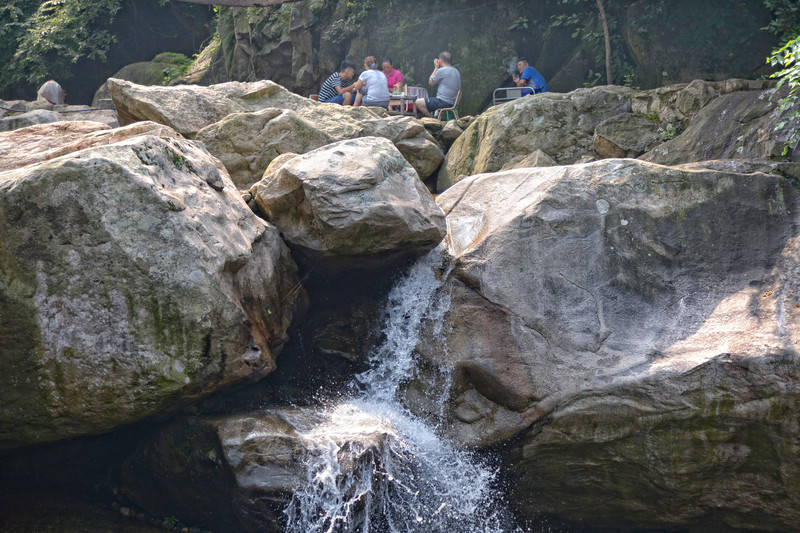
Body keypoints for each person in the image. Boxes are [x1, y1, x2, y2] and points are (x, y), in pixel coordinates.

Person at [415, 51, 461, 118]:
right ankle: (436, 117)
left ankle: (433, 119)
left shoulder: (442, 70)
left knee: (418, 102)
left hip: (443, 102)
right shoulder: (456, 71)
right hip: (452, 102)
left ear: (440, 60)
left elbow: (431, 82)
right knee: (435, 104)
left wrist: (436, 67)